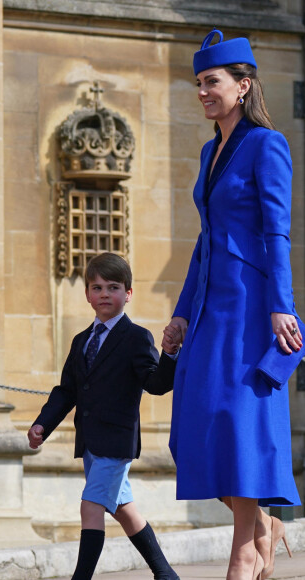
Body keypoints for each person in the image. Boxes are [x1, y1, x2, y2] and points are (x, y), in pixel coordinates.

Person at [162, 29, 302, 580]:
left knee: (238, 425)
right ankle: (266, 525)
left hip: (250, 307)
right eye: (198, 82)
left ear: (242, 86)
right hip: (208, 310)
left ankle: (245, 549)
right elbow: (206, 239)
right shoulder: (208, 150)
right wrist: (179, 310)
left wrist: (282, 306)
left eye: (211, 82)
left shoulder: (267, 145)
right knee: (191, 430)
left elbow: (278, 232)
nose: (202, 91)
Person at [27, 253, 179, 580]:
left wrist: (169, 354)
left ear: (128, 293)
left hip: (116, 441)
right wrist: (43, 423)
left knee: (90, 505)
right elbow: (66, 390)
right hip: (90, 443)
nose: (105, 294)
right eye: (97, 288)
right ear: (87, 294)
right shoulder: (81, 341)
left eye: (113, 287)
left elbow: (156, 383)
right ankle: (166, 574)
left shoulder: (136, 337)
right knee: (125, 510)